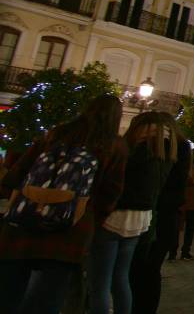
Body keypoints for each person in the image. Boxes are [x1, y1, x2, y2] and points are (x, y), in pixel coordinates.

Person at [0, 94, 128, 314]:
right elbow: (111, 192)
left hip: (23, 222)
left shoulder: (55, 134)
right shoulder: (114, 146)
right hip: (69, 229)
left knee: (8, 293)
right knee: (48, 297)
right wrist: (92, 219)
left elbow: (15, 175)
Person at [89, 111, 178, 314]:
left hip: (118, 216)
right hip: (141, 219)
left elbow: (119, 183)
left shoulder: (140, 151)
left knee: (100, 281)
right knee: (121, 276)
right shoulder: (166, 152)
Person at [130, 113, 191, 314]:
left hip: (155, 217)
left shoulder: (169, 148)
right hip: (163, 217)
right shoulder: (181, 147)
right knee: (147, 272)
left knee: (143, 272)